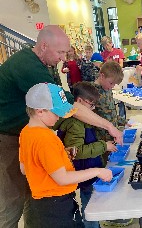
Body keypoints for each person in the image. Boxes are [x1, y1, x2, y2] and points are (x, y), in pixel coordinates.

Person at [0, 25, 122, 228]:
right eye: (60, 52)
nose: (64, 58)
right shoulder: (29, 68)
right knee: (12, 200)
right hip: (6, 136)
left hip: (23, 141)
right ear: (44, 45)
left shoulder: (31, 132)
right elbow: (72, 108)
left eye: (66, 52)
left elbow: (26, 168)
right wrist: (108, 126)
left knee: (31, 194)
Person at [19, 82, 113, 228]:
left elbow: (25, 169)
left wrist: (60, 155)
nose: (60, 117)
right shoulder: (46, 138)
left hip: (38, 207)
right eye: (57, 113)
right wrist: (98, 171)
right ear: (40, 111)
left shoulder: (26, 132)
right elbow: (62, 179)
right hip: (56, 207)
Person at [57, 81, 117, 228]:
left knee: (92, 201)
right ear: (79, 102)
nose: (93, 109)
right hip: (83, 171)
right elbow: (76, 153)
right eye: (91, 105)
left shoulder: (84, 120)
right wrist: (104, 146)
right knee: (90, 204)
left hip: (90, 168)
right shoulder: (75, 124)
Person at [93, 61, 133, 227]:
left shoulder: (107, 90)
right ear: (101, 76)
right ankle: (107, 215)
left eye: (115, 85)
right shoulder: (92, 92)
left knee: (113, 173)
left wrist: (123, 122)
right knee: (103, 178)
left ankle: (114, 211)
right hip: (100, 143)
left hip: (112, 141)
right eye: (111, 83)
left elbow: (112, 115)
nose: (112, 87)